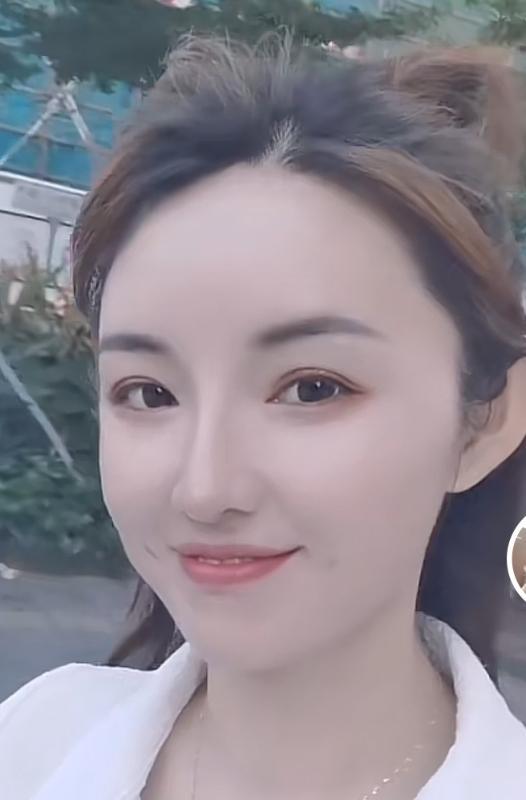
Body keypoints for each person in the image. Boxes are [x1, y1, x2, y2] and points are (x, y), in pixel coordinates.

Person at [1, 36, 526, 800]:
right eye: (149, 393)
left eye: (312, 388)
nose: (205, 489)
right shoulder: (36, 739)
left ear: (488, 420)